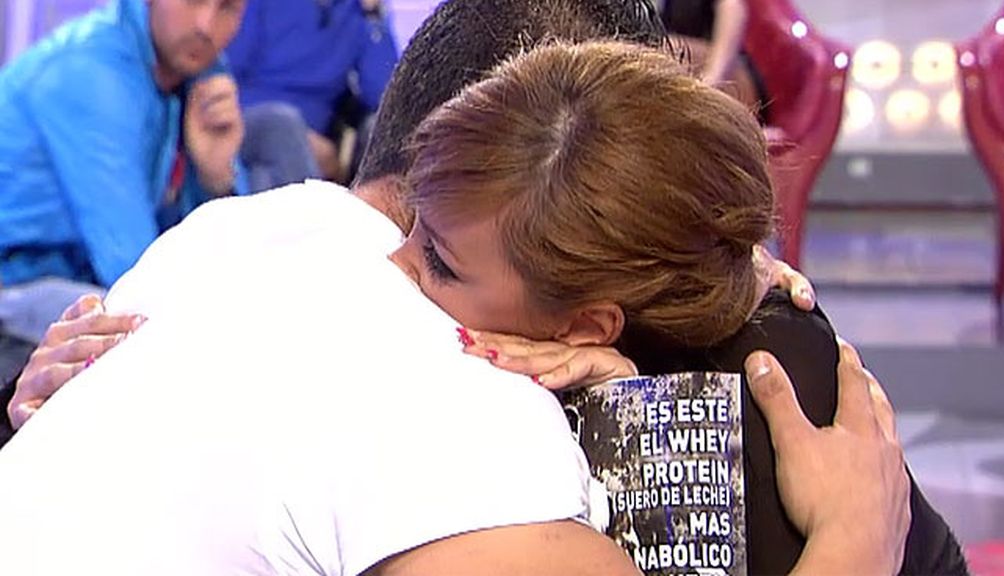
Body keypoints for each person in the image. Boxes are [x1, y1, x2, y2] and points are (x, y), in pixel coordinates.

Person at [5, 39, 905, 575]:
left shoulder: (253, 224)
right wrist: (854, 541)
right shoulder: (464, 412)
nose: (396, 268)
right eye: (418, 230)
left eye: (436, 261)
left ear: (587, 324)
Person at [0, 0, 250, 292]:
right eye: (193, 1)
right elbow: (133, 272)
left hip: (85, 278)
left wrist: (217, 182)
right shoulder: (90, 72)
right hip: (16, 283)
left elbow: (232, 256)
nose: (205, 26)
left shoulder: (199, 72)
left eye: (227, 8)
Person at [228, 0, 399, 189]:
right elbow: (227, 74)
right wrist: (300, 138)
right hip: (246, 118)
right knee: (282, 123)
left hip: (301, 147)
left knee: (264, 179)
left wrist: (373, 15)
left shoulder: (356, 13)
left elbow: (383, 97)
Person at [658, 0, 766, 113]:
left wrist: (713, 78)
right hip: (678, 81)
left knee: (664, 48)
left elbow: (733, 9)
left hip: (729, 75)